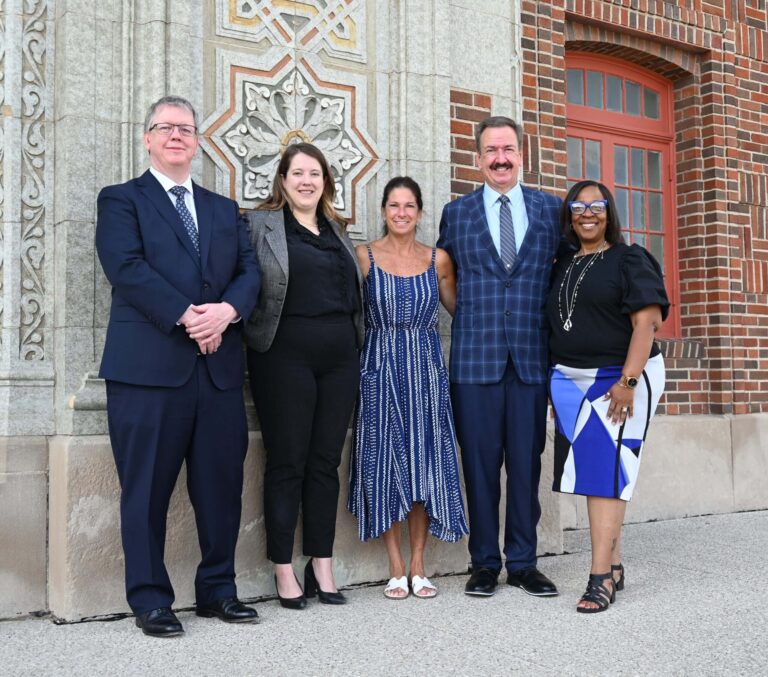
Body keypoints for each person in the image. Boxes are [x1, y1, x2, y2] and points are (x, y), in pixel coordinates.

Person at [95, 95, 262, 637]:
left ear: (197, 142)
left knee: (220, 487)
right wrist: (188, 317)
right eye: (164, 128)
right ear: (147, 138)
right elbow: (125, 266)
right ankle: (150, 600)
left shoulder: (221, 208)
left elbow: (248, 270)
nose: (175, 136)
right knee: (145, 490)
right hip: (147, 372)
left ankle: (218, 590)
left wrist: (229, 311)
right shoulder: (121, 200)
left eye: (185, 129)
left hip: (217, 374)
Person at [437, 116, 561, 598]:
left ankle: (524, 563)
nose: (501, 158)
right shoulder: (458, 213)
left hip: (531, 359)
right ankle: (484, 562)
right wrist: (470, 318)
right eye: (491, 150)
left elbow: (564, 277)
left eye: (508, 149)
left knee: (526, 464)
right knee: (481, 466)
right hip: (475, 360)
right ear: (478, 157)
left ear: (522, 154)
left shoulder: (550, 210)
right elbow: (448, 279)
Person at [244, 143, 363, 609]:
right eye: (297, 173)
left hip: (339, 358)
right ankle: (281, 566)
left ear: (326, 183)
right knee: (288, 460)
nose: (306, 181)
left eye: (315, 173)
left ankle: (321, 563)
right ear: (283, 180)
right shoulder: (259, 225)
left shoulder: (337, 231)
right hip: (283, 356)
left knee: (325, 462)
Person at [547, 180, 668, 612]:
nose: (587, 213)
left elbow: (647, 323)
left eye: (596, 205)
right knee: (595, 472)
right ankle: (613, 562)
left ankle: (600, 579)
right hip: (569, 380)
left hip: (620, 378)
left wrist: (629, 382)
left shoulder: (629, 258)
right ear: (569, 216)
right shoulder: (562, 262)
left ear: (609, 212)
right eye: (578, 207)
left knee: (604, 474)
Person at [348, 177, 469, 600]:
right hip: (379, 366)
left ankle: (419, 563)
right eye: (394, 205)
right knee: (384, 463)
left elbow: (460, 311)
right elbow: (348, 315)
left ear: (419, 212)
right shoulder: (363, 257)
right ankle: (394, 566)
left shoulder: (438, 260)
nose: (401, 212)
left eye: (409, 205)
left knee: (424, 464)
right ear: (383, 210)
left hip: (426, 368)